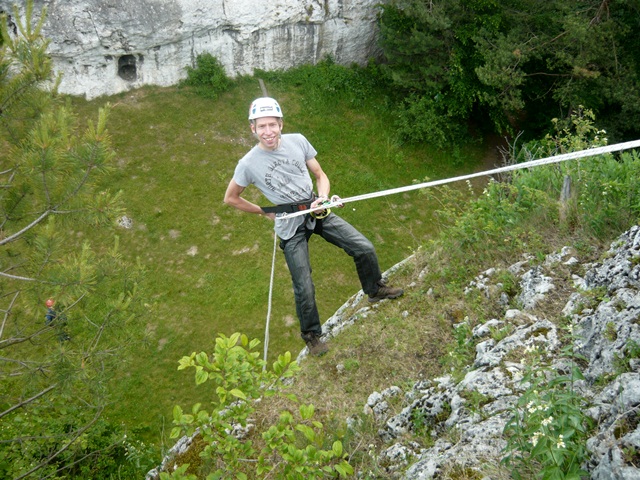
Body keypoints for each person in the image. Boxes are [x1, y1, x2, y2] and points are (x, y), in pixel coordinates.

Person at [224, 97, 403, 356]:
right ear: (253, 128)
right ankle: (311, 336)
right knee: (304, 285)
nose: (268, 131)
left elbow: (320, 175)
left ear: (281, 124)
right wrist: (265, 212)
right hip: (290, 225)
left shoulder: (298, 141)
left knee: (363, 247)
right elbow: (231, 198)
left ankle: (375, 289)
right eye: (261, 126)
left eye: (272, 124)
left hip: (316, 210)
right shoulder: (248, 164)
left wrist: (323, 198)